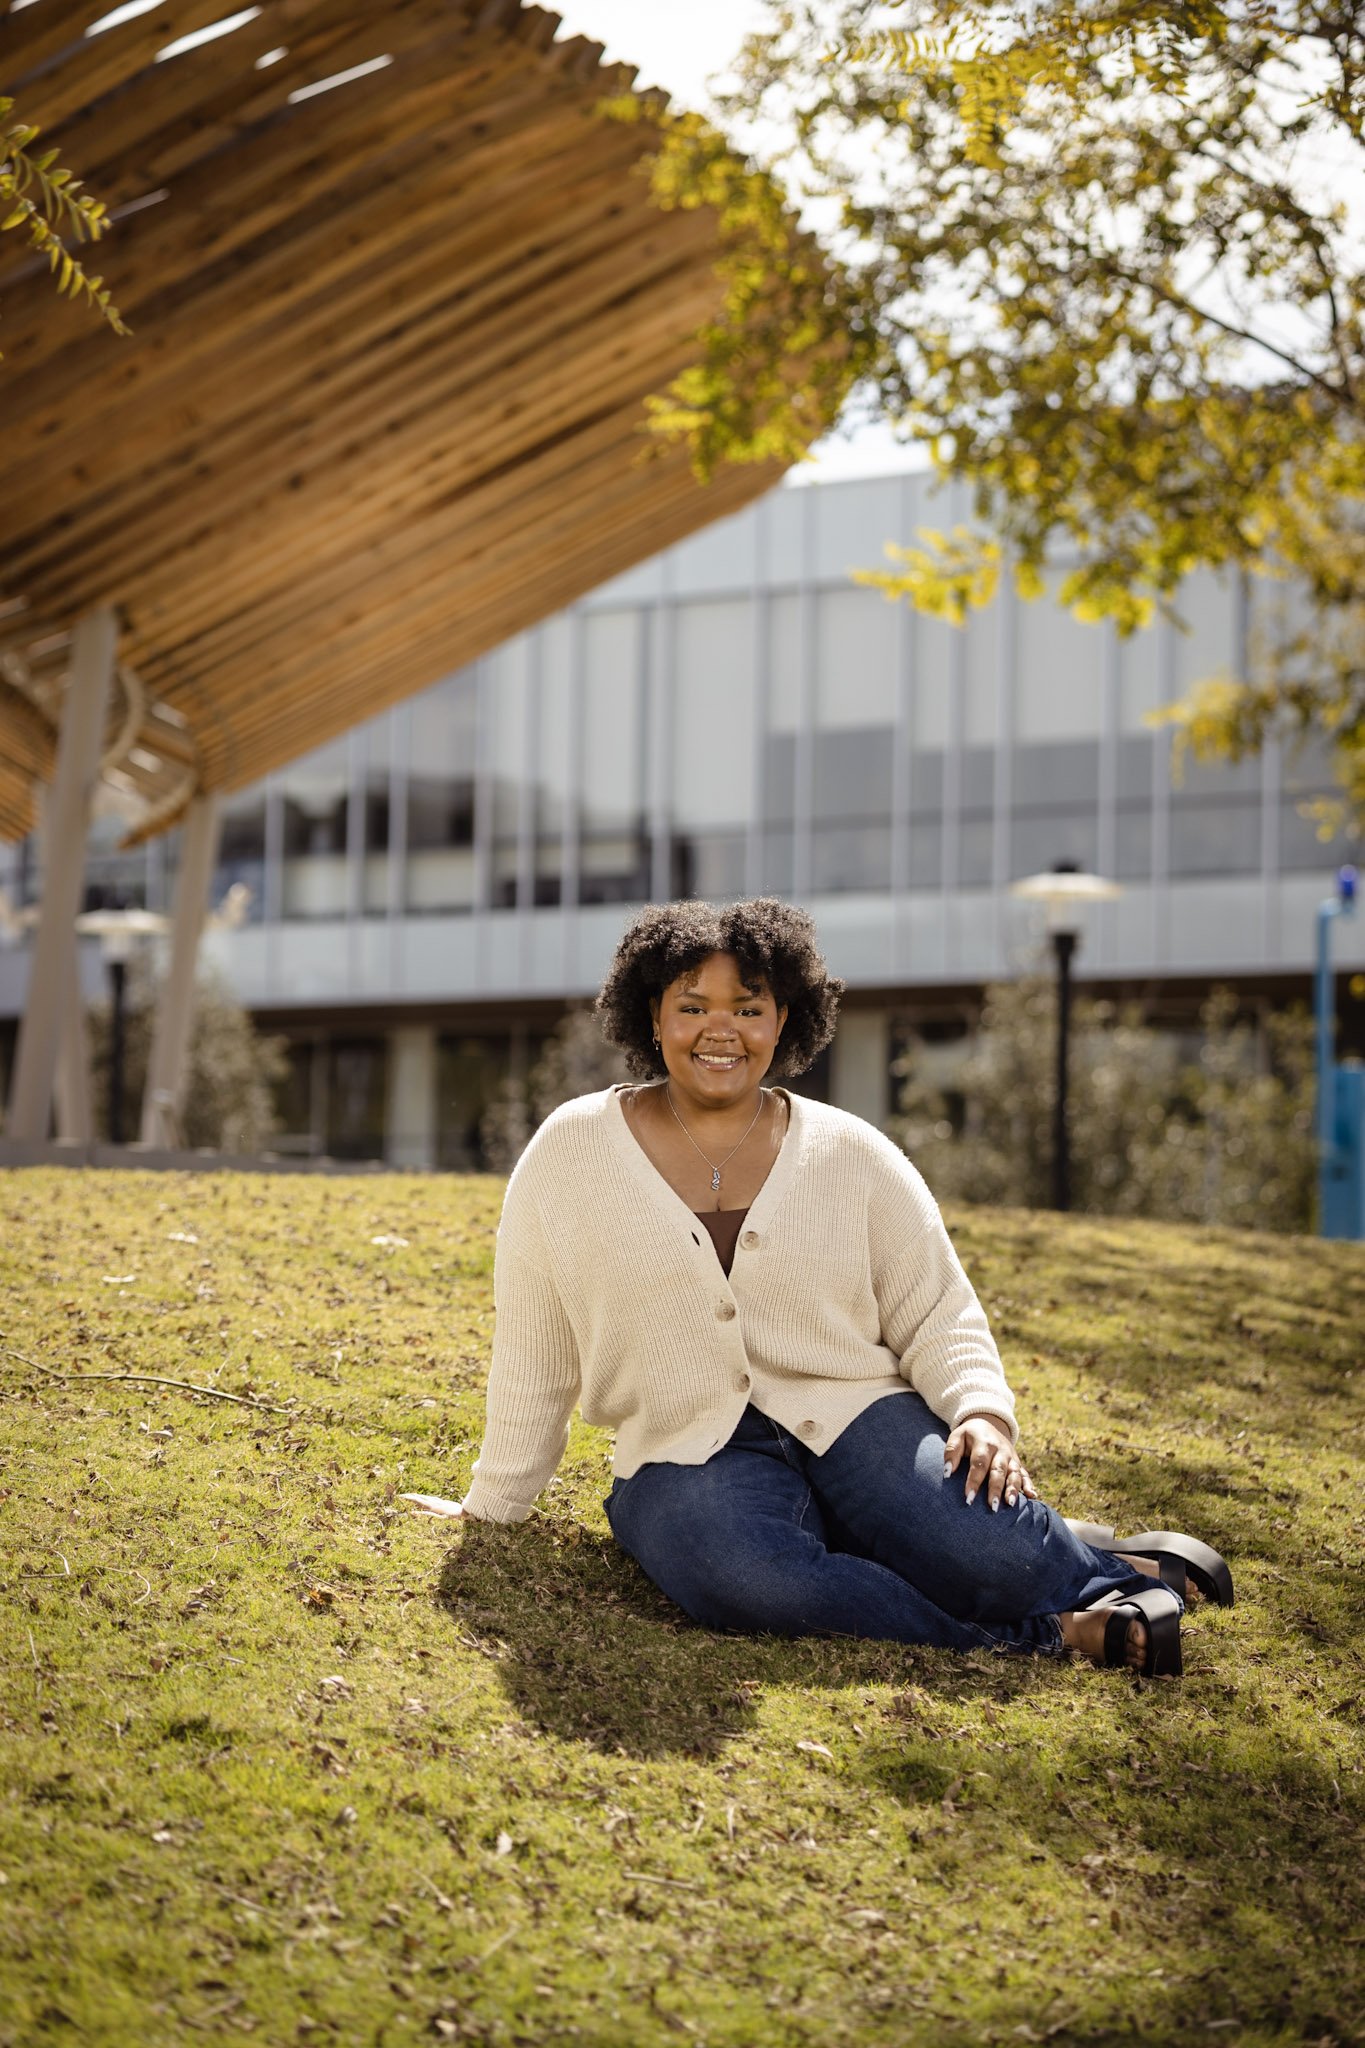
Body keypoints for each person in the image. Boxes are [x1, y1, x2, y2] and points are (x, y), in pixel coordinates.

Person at [433, 899, 1233, 1677]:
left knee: (995, 1553)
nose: (721, 1030)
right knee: (749, 1579)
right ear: (652, 1015)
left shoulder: (851, 1152)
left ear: (783, 1020)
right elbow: (534, 1352)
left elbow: (937, 1308)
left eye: (748, 1007)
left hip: (859, 1417)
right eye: (692, 1006)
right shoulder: (570, 1153)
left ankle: (1103, 1566)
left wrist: (981, 1415)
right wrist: (493, 1505)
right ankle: (1052, 1634)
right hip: (681, 1450)